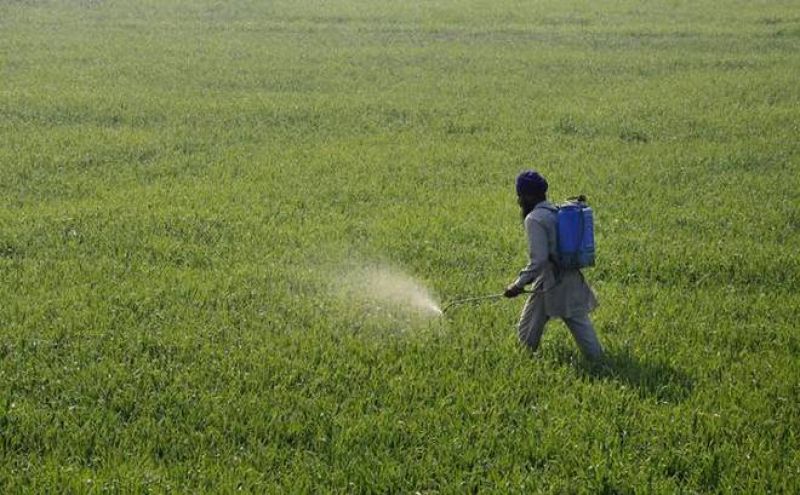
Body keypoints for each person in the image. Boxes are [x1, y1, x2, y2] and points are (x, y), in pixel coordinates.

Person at [504, 170, 604, 360]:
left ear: (528, 196)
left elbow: (538, 260)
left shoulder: (534, 219)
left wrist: (517, 285)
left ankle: (598, 362)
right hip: (564, 278)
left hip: (553, 282)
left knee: (530, 333)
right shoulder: (556, 211)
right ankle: (598, 361)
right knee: (572, 324)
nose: (519, 201)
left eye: (520, 196)